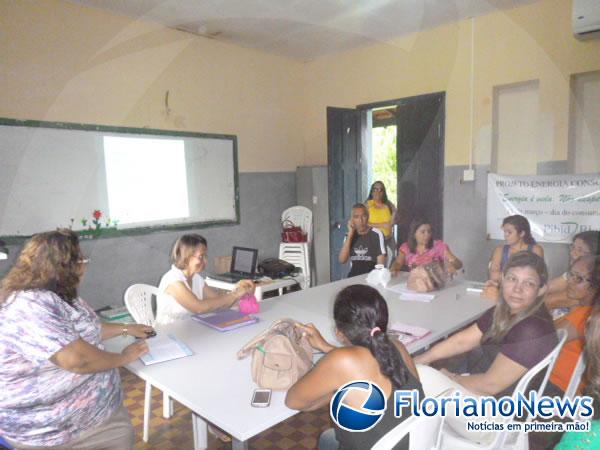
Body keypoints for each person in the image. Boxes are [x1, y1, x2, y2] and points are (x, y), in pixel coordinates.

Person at [0, 229, 152, 449]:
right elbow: (78, 360)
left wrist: (127, 329)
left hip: (96, 415)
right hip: (57, 432)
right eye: (81, 259)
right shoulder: (28, 304)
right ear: (64, 266)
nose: (84, 265)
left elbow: (85, 330)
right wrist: (123, 358)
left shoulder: (58, 295)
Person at [414, 252, 558, 443]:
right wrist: (418, 359)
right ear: (502, 279)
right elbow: (463, 341)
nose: (517, 289)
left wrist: (450, 378)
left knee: (423, 377)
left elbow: (490, 385)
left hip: (502, 421)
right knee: (419, 370)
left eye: (529, 283)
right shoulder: (505, 311)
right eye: (512, 279)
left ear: (540, 290)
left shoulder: (532, 328)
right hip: (497, 401)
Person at [285, 284, 423, 450]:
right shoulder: (397, 346)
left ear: (339, 333)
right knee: (328, 438)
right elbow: (368, 362)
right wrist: (326, 348)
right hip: (417, 443)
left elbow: (294, 401)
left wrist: (336, 387)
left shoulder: (341, 362)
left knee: (328, 439)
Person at [155, 234, 254, 326]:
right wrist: (234, 295)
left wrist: (240, 290)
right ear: (186, 257)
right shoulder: (173, 280)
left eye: (205, 256)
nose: (205, 261)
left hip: (190, 328)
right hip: (169, 333)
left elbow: (220, 304)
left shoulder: (196, 278)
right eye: (201, 256)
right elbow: (199, 308)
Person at [546, 255, 600, 396]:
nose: (570, 281)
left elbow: (540, 343)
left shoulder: (586, 316)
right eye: (571, 274)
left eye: (579, 278)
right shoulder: (583, 309)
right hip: (551, 382)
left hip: (556, 389)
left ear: (596, 285)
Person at [554, 306, 600, 449]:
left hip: (556, 387)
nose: (571, 283)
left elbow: (547, 339)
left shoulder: (584, 314)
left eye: (579, 281)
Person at [482, 214, 544, 300]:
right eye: (504, 232)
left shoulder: (536, 250)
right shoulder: (499, 250)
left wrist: (506, 277)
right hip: (502, 295)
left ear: (522, 233)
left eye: (509, 232)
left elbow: (536, 279)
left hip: (527, 297)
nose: (505, 235)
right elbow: (493, 277)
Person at [545, 231, 600, 312]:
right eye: (573, 247)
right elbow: (547, 288)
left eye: (580, 250)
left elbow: (548, 302)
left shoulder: (591, 283)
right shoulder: (575, 272)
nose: (572, 253)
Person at [389, 217, 462, 274]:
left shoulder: (439, 246)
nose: (427, 235)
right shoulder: (406, 248)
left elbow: (458, 264)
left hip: (437, 284)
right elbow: (398, 263)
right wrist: (394, 269)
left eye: (429, 231)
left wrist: (452, 265)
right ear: (414, 234)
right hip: (416, 284)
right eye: (423, 232)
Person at [338, 203, 386, 277]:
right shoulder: (349, 235)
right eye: (356, 217)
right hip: (354, 276)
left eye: (363, 216)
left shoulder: (376, 234)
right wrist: (350, 234)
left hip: (372, 276)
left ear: (368, 217)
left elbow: (381, 263)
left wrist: (377, 279)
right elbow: (342, 260)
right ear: (352, 220)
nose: (361, 220)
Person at [365, 181, 397, 259]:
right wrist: (382, 225)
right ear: (372, 192)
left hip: (389, 239)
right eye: (375, 189)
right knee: (377, 265)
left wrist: (393, 215)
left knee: (392, 262)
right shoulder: (367, 205)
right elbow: (364, 223)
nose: (378, 192)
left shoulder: (387, 204)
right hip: (374, 241)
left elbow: (394, 218)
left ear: (383, 192)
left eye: (380, 190)